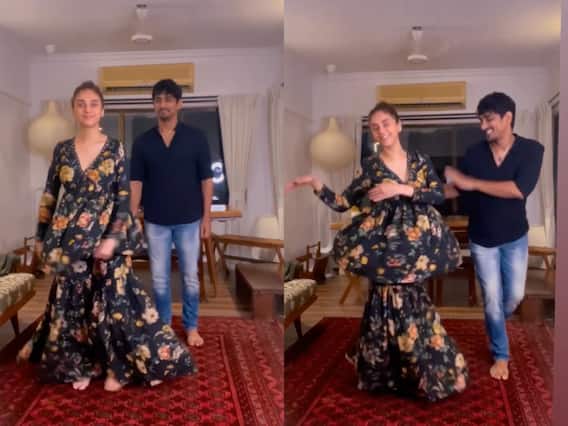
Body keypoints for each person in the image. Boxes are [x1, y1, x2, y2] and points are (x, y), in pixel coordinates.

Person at [17, 81, 196, 392]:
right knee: (73, 306)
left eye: (93, 104)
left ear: (102, 110)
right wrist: (41, 237)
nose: (87, 109)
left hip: (106, 238)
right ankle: (82, 366)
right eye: (81, 104)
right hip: (70, 240)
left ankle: (119, 368)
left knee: (115, 304)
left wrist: (112, 239)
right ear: (74, 109)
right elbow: (49, 195)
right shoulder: (62, 149)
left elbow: (124, 198)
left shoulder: (115, 148)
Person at [286, 101, 468, 401]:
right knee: (383, 302)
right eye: (374, 127)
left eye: (386, 124)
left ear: (398, 125)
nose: (381, 131)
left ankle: (425, 371)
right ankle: (386, 372)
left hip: (415, 250)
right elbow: (344, 202)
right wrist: (316, 184)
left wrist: (400, 189)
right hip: (385, 249)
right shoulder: (371, 167)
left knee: (410, 304)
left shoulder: (420, 160)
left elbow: (437, 194)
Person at [444, 92, 544, 381]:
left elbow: (519, 189)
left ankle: (494, 321)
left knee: (514, 296)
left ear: (507, 117)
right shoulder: (474, 153)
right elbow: (457, 188)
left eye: (488, 119)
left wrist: (472, 182)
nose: (483, 126)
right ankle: (501, 354)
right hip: (482, 238)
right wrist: (418, 192)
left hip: (515, 237)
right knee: (491, 298)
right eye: (480, 120)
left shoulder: (531, 150)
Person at [130, 79, 213, 348]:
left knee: (190, 277)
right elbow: (136, 183)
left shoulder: (196, 138)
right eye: (158, 100)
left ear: (179, 104)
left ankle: (191, 326)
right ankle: (164, 325)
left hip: (189, 221)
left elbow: (207, 180)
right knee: (159, 280)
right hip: (155, 222)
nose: (162, 104)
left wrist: (207, 218)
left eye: (168, 99)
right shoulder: (142, 142)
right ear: (154, 105)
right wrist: (132, 217)